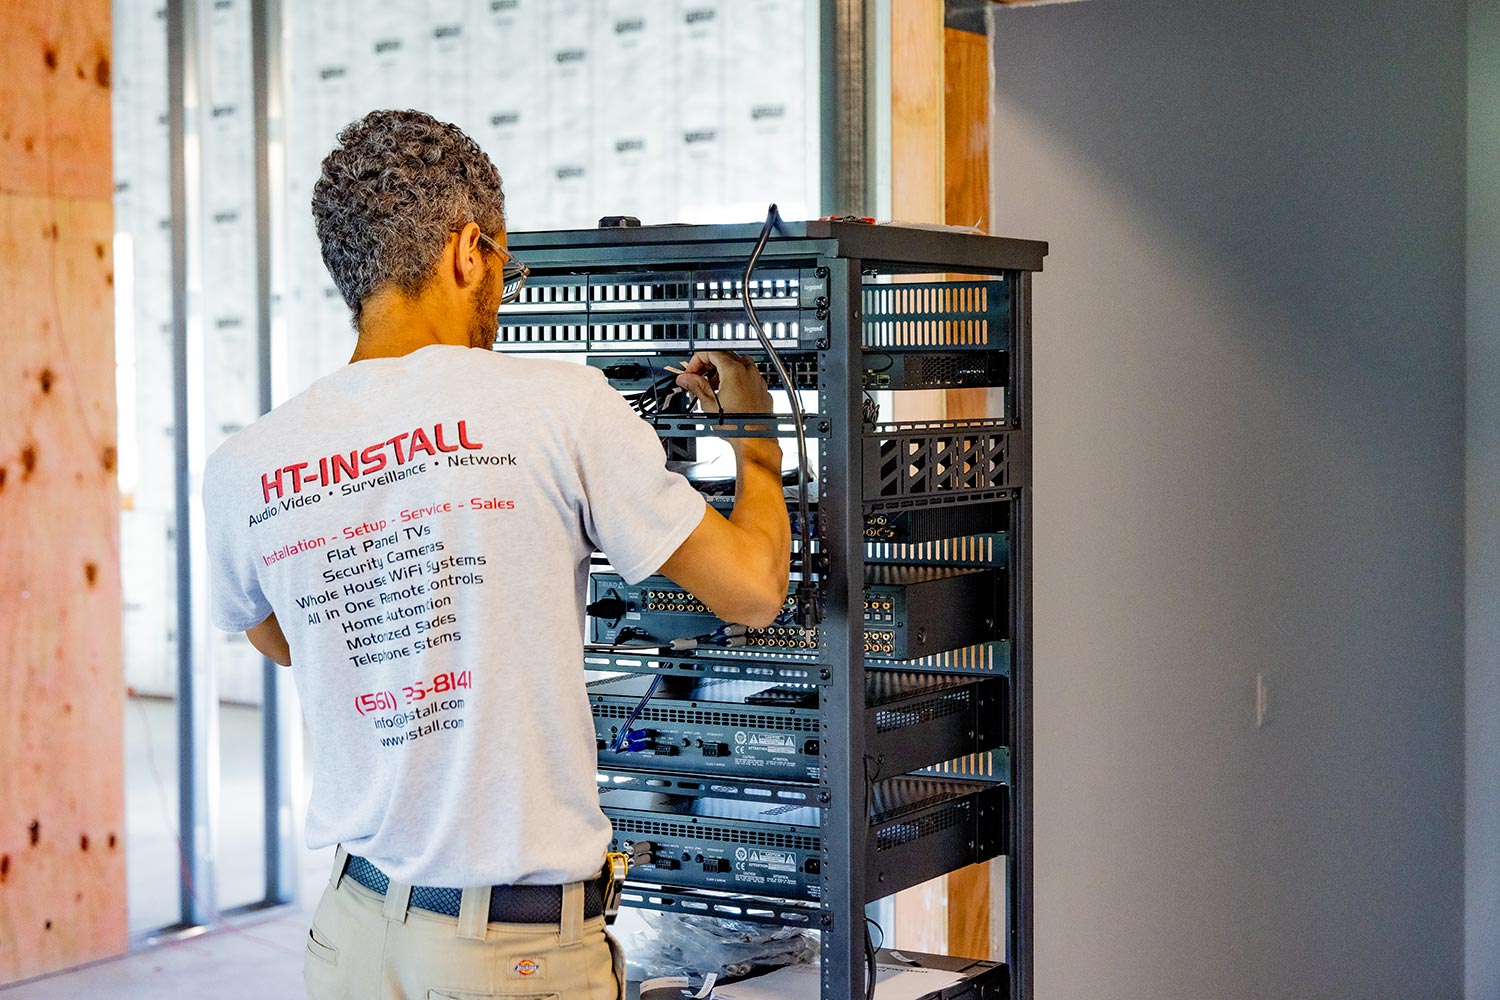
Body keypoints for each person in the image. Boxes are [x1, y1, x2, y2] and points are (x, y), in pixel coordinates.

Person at [201, 109, 791, 1000]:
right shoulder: (558, 407)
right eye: (502, 267)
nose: (502, 292)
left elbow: (282, 637)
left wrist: (395, 618)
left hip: (352, 940)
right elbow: (753, 590)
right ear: (468, 249)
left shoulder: (246, 463)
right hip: (506, 961)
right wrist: (757, 443)